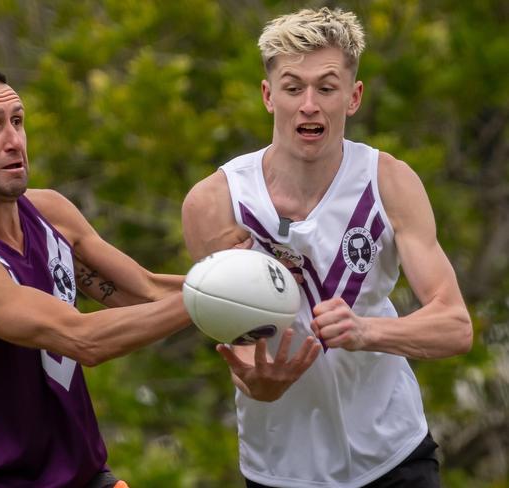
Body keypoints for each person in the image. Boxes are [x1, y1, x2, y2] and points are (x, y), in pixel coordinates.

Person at [182, 7, 472, 488]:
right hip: (282, 467)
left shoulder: (390, 181)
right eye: (293, 88)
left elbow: (455, 325)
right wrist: (258, 384)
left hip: (394, 455)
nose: (309, 104)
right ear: (268, 95)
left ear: (353, 97)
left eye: (327, 87)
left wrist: (366, 331)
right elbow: (236, 341)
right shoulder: (215, 201)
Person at [0, 66, 192, 487]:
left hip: (78, 474)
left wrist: (261, 280)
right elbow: (84, 339)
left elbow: (144, 291)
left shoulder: (50, 212)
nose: (14, 140)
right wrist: (218, 295)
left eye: (17, 121)